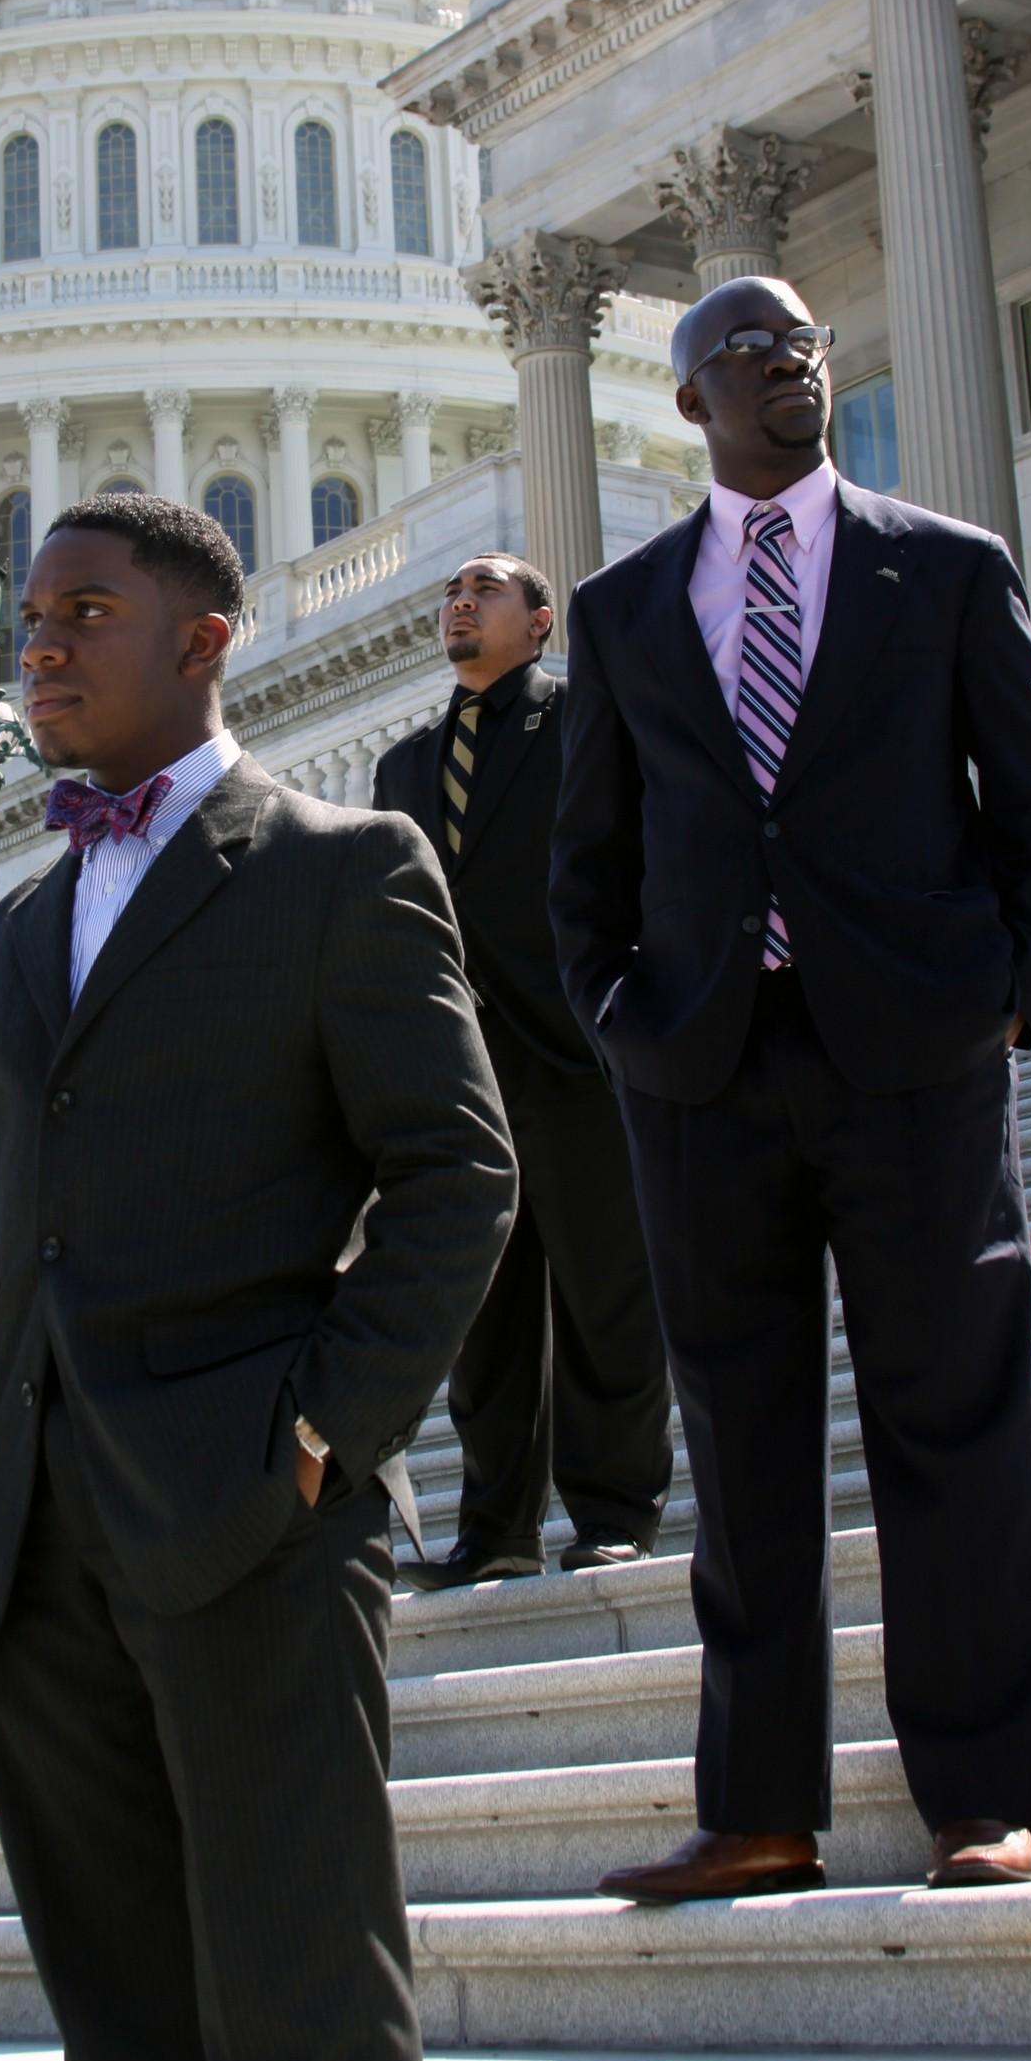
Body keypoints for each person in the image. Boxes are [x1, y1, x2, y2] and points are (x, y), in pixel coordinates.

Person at [0, 492, 517, 2061]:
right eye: (32, 618)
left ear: (203, 639)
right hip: (35, 1558)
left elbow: (459, 1174)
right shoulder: (5, 940)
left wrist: (315, 1437)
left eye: (85, 611)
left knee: (304, 2023)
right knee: (124, 2043)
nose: (39, 645)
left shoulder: (340, 865)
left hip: (254, 1529)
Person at [550, 280, 1031, 1901]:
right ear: (686, 398)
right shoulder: (622, 609)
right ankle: (758, 1812)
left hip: (914, 1055)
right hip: (705, 1070)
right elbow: (588, 859)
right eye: (747, 347)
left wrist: (1013, 996)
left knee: (955, 1426)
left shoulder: (946, 565)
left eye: (803, 342)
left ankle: (977, 1798)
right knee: (739, 1451)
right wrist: (623, 1022)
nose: (788, 361)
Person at [374, 551, 671, 1588]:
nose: (458, 601)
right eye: (450, 592)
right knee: (483, 1322)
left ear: (541, 622)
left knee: (604, 1300)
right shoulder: (403, 767)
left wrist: (628, 1008)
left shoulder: (588, 715)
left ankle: (614, 1511)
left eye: (485, 589)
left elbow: (644, 857)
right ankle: (494, 1530)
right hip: (459, 1073)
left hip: (577, 1055)